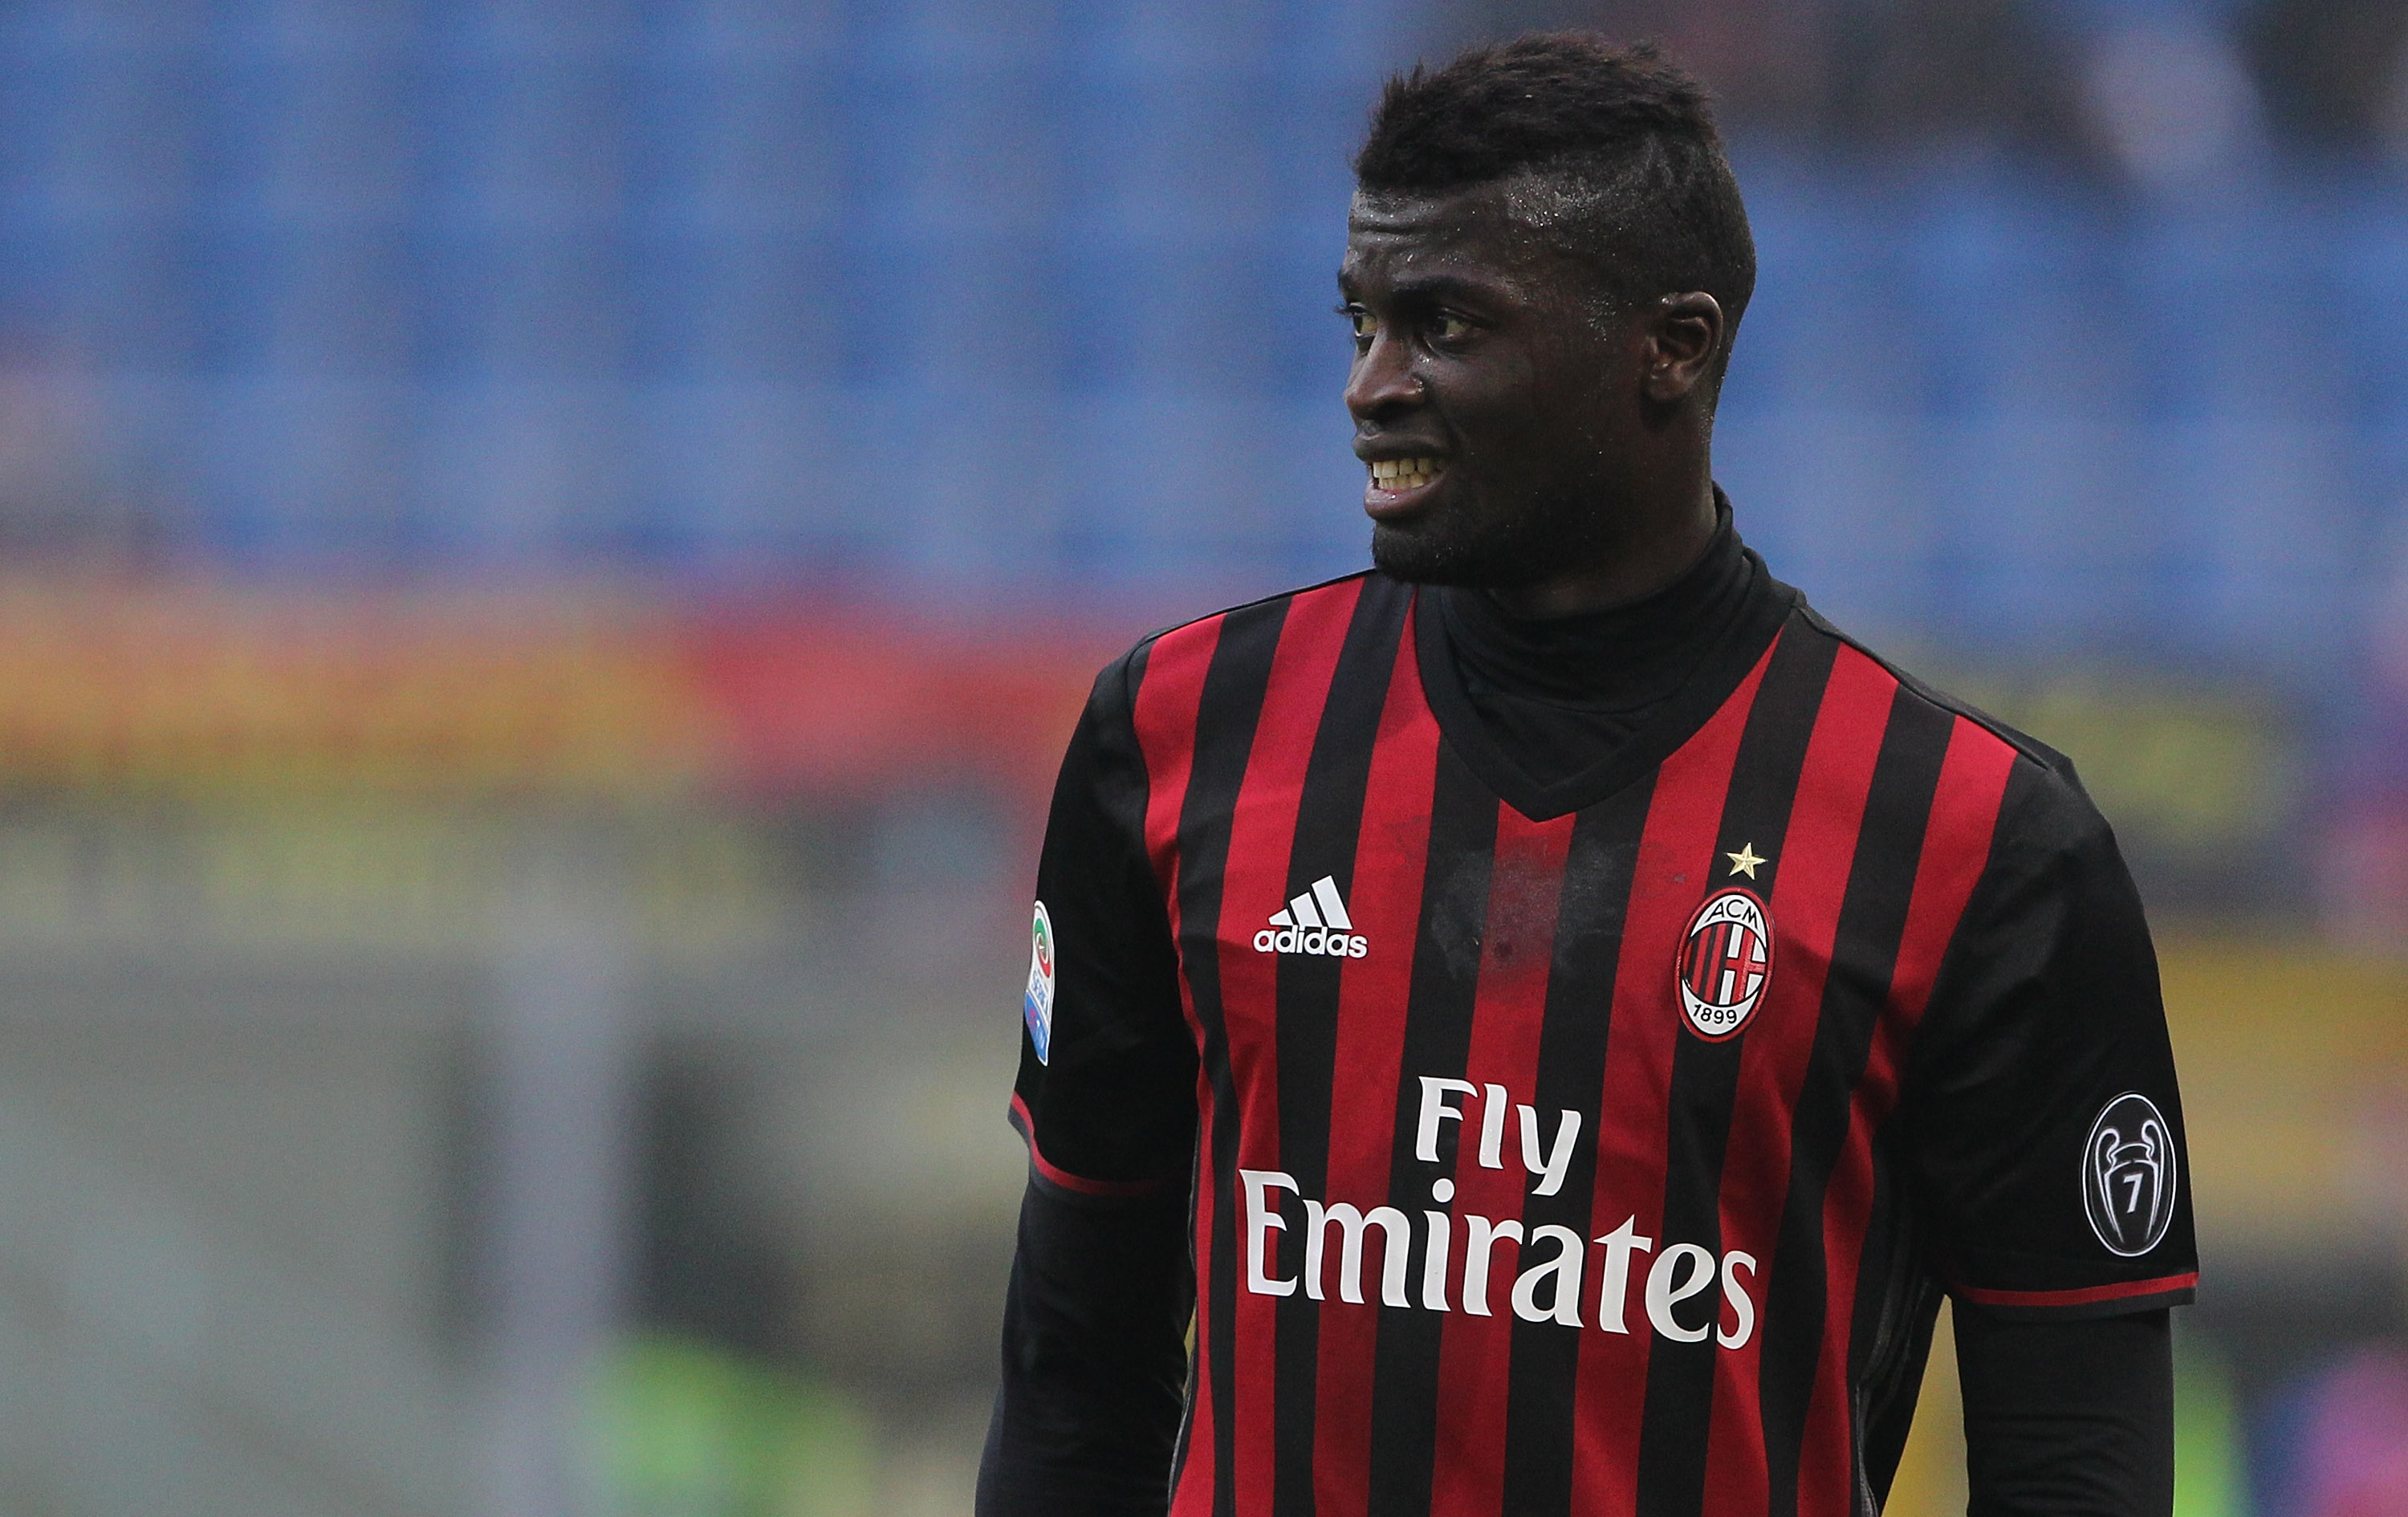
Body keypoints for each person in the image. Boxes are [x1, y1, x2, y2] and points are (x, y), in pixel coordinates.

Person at [978, 33, 2195, 1517]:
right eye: (1362, 320)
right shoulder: (1173, 740)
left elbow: (2080, 1468)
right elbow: (1071, 1376)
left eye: (1446, 325)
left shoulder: (1976, 841)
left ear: (1669, 349)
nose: (1373, 385)